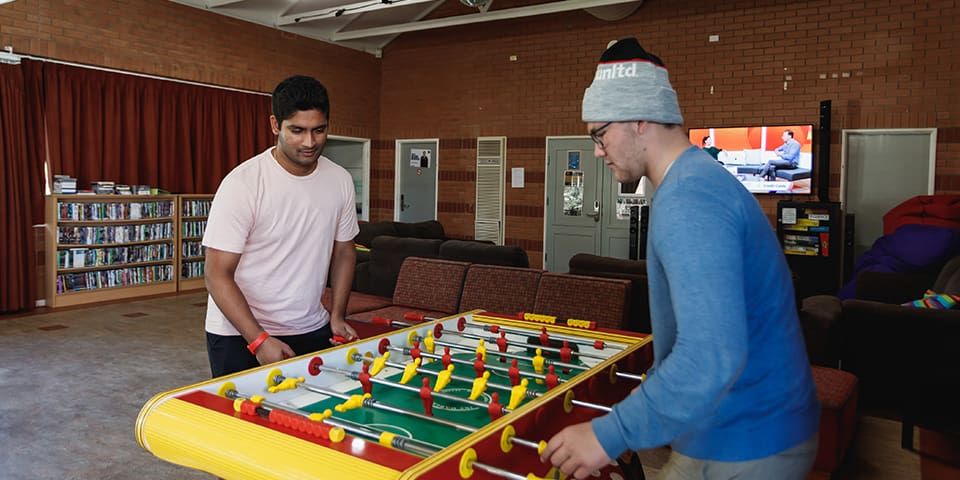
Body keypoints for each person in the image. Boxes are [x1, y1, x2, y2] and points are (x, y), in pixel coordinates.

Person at [540, 38, 819, 480]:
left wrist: (608, 434)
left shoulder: (690, 200)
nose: (596, 150)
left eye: (600, 133)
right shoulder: (694, 183)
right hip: (724, 429)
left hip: (749, 441)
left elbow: (710, 355)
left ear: (639, 121)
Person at [202, 75, 359, 378]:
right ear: (275, 125)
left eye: (319, 130)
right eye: (297, 131)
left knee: (311, 420)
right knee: (244, 425)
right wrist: (259, 340)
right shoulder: (243, 184)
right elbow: (216, 273)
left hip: (311, 326)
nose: (310, 142)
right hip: (239, 335)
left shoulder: (340, 180)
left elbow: (344, 252)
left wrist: (337, 315)